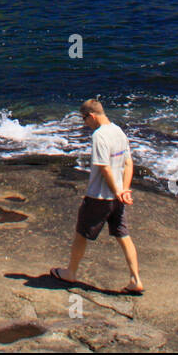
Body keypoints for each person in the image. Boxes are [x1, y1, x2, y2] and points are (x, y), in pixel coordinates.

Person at [51, 99, 144, 295]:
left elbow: (104, 168)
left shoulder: (99, 136)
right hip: (117, 199)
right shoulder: (118, 131)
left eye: (85, 119)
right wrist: (124, 190)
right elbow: (128, 163)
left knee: (81, 235)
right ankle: (135, 279)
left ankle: (70, 272)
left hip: (99, 197)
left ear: (91, 116)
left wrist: (118, 191)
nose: (85, 124)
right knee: (123, 235)